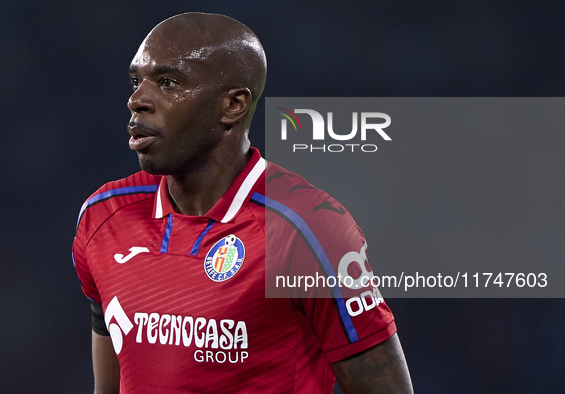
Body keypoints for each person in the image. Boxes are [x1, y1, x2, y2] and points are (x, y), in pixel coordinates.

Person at [72, 12, 413, 394]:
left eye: (168, 82)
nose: (137, 100)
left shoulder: (307, 230)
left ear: (232, 105)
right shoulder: (103, 216)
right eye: (137, 81)